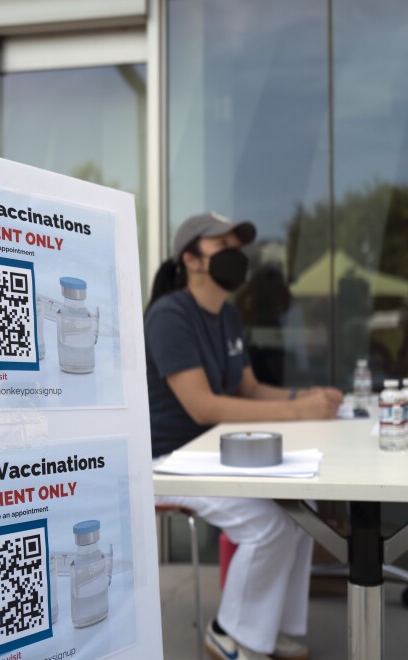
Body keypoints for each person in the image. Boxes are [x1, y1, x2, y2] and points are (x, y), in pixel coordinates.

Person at [145, 211, 343, 660]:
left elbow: (248, 388)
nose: (237, 256)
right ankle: (231, 634)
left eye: (239, 246)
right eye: (224, 247)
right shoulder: (169, 315)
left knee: (300, 512)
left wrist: (306, 395)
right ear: (192, 260)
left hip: (214, 453)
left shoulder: (227, 315)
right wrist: (298, 411)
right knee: (269, 524)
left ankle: (270, 629)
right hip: (167, 460)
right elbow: (203, 405)